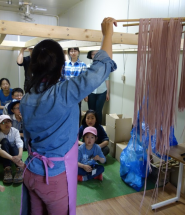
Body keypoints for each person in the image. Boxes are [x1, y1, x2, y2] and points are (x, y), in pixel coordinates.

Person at [19, 17, 117, 215]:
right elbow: (100, 69)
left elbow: (28, 138)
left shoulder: (26, 99)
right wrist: (107, 34)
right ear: (61, 66)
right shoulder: (64, 92)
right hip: (52, 177)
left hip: (31, 171)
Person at [60, 47, 87, 124]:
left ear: (78, 52)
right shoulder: (65, 64)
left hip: (77, 92)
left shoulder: (82, 64)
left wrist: (85, 94)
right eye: (71, 51)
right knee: (66, 110)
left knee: (76, 111)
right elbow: (61, 78)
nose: (73, 53)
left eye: (75, 51)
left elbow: (84, 80)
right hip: (66, 92)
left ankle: (76, 130)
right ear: (69, 53)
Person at [84, 50, 110, 124]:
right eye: (93, 54)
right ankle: (90, 128)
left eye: (96, 54)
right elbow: (86, 81)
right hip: (90, 91)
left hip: (102, 91)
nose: (95, 56)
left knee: (98, 111)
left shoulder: (104, 66)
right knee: (91, 110)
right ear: (90, 56)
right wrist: (85, 94)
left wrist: (107, 93)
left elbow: (107, 80)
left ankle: (98, 128)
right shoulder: (88, 66)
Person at [0, 115, 24, 184]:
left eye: (8, 122)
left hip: (14, 155)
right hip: (3, 156)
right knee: (4, 141)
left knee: (13, 145)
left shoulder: (15, 131)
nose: (7, 124)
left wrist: (19, 156)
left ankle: (19, 168)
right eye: (3, 122)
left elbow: (19, 143)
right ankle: (7, 169)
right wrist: (12, 158)